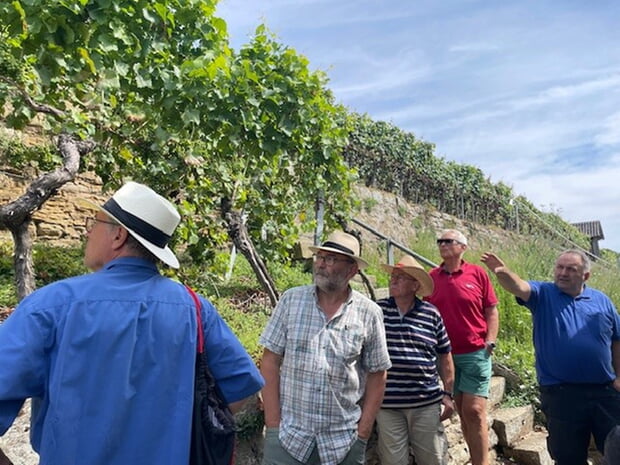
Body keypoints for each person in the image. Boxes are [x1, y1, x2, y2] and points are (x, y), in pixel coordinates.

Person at [0, 181, 264, 465]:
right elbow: (240, 387)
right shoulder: (195, 310)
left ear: (119, 236)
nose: (88, 231)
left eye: (95, 223)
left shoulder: (51, 306)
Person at [260, 230, 391, 465]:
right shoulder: (291, 301)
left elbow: (378, 374)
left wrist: (363, 433)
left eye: (330, 259)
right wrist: (273, 424)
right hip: (288, 438)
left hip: (343, 443)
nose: (321, 264)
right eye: (320, 257)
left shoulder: (369, 313)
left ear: (352, 270)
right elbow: (269, 361)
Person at [481, 249, 620, 465]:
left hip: (605, 391)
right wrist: (501, 271)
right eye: (559, 267)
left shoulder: (602, 301)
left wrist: (619, 376)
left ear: (585, 275)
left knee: (617, 449)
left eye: (571, 269)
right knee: (567, 457)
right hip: (562, 394)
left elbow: (616, 340)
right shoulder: (543, 294)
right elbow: (519, 286)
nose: (562, 273)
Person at [425, 229, 499, 465]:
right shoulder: (431, 277)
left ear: (463, 247)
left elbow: (491, 310)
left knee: (475, 410)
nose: (443, 244)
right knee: (463, 412)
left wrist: (491, 338)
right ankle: (477, 458)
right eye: (440, 241)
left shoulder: (477, 274)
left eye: (449, 241)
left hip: (476, 351)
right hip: (445, 356)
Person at [376, 255, 455, 465]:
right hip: (387, 404)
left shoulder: (431, 314)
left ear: (415, 285)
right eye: (393, 276)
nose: (393, 280)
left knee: (433, 459)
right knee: (393, 462)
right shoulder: (377, 311)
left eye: (400, 277)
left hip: (425, 402)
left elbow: (445, 355)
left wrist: (448, 394)